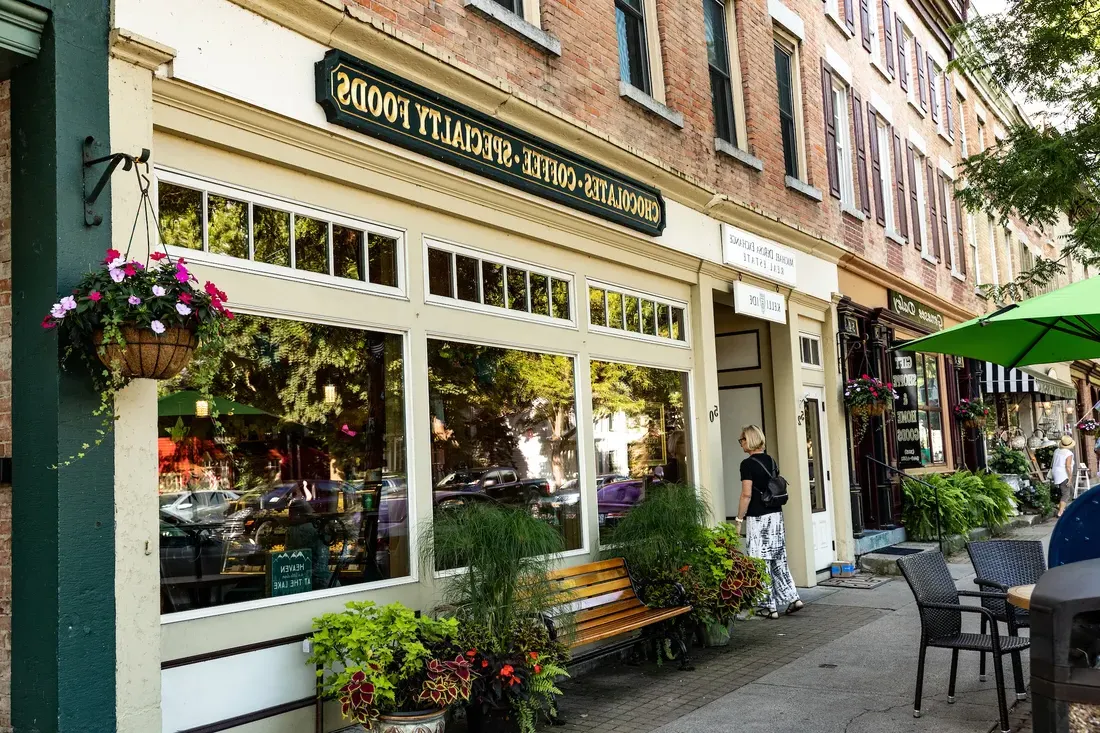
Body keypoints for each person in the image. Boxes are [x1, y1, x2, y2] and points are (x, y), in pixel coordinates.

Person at [734, 424, 803, 620]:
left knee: (759, 561)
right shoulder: (771, 461)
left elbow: (746, 494)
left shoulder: (747, 465)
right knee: (779, 559)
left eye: (743, 440)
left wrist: (739, 519)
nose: (741, 444)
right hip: (776, 516)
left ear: (751, 440)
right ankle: (792, 597)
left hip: (759, 518)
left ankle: (767, 606)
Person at [1051, 435, 1075, 517]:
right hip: (1063, 474)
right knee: (1066, 493)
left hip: (1056, 472)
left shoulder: (1057, 450)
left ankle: (1060, 505)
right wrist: (1070, 477)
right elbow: (1068, 466)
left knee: (1071, 491)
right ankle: (1060, 512)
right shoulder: (1069, 453)